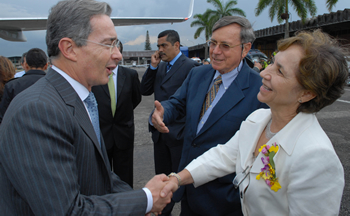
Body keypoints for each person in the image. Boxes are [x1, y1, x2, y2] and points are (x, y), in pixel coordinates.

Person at [0, 0, 173, 215]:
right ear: (69, 49)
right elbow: (68, 211)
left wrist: (141, 200)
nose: (118, 54)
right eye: (108, 44)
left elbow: (101, 177)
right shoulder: (37, 111)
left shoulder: (79, 99)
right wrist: (145, 200)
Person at [162, 29, 346, 215]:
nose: (265, 72)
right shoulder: (257, 120)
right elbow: (223, 156)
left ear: (307, 93)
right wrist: (176, 179)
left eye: (280, 71)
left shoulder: (316, 157)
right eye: (273, 63)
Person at [151, 16, 268, 215]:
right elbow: (178, 103)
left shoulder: (259, 90)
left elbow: (261, 153)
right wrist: (164, 112)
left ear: (246, 48)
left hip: (224, 197)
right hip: (188, 187)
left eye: (225, 45)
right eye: (213, 43)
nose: (215, 51)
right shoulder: (198, 74)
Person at [140, 29, 200, 216]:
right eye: (158, 46)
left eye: (164, 46)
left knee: (181, 182)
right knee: (163, 179)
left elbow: (192, 102)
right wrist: (152, 67)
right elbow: (145, 90)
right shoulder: (161, 66)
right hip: (160, 135)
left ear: (176, 45)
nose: (160, 50)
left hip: (179, 135)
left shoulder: (190, 67)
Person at [92, 40, 141, 187]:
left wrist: (122, 114)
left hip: (123, 135)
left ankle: (128, 207)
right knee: (101, 178)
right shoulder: (94, 75)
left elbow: (136, 99)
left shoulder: (130, 75)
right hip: (100, 135)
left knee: (124, 178)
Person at [0, 48, 48, 124]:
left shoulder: (12, 86)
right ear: (46, 65)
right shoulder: (55, 84)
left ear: (25, 65)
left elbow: (3, 116)